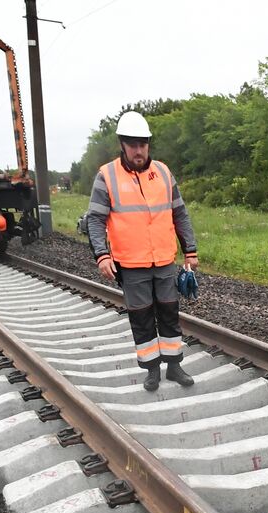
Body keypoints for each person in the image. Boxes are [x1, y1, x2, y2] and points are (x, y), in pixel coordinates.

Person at [85, 110, 199, 391]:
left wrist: (191, 251)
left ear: (148, 144)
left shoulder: (162, 172)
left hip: (163, 259)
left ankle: (174, 366)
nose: (139, 150)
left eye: (143, 144)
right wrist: (102, 255)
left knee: (169, 313)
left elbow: (179, 213)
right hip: (131, 263)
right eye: (133, 144)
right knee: (142, 318)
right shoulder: (106, 176)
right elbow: (95, 220)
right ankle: (151, 371)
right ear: (122, 145)